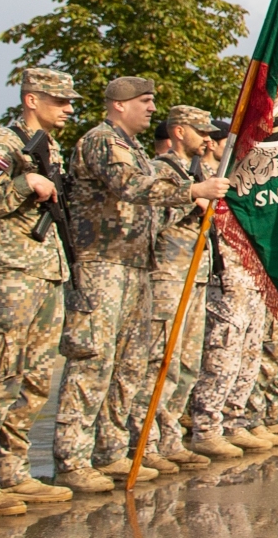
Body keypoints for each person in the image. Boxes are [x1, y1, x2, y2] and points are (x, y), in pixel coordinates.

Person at [52, 78, 229, 492]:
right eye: (145, 102)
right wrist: (193, 190)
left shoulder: (131, 148)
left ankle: (111, 452)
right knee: (92, 363)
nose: (152, 110)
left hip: (134, 264)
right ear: (118, 105)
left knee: (128, 366)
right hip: (102, 263)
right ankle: (72, 458)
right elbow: (128, 186)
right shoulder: (101, 141)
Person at [0, 68, 81, 516]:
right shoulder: (1, 146)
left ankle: (13, 472)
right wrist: (24, 184)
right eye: (59, 100)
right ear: (31, 100)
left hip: (43, 274)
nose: (68, 108)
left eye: (70, 101)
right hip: (6, 278)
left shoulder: (51, 149)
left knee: (33, 382)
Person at [127, 105, 222, 474]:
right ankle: (145, 443)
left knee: (186, 364)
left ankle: (169, 439)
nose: (209, 139)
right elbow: (147, 218)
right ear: (180, 131)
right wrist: (189, 200)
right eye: (201, 131)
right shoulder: (161, 170)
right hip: (168, 275)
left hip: (194, 275)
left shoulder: (193, 173)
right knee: (159, 362)